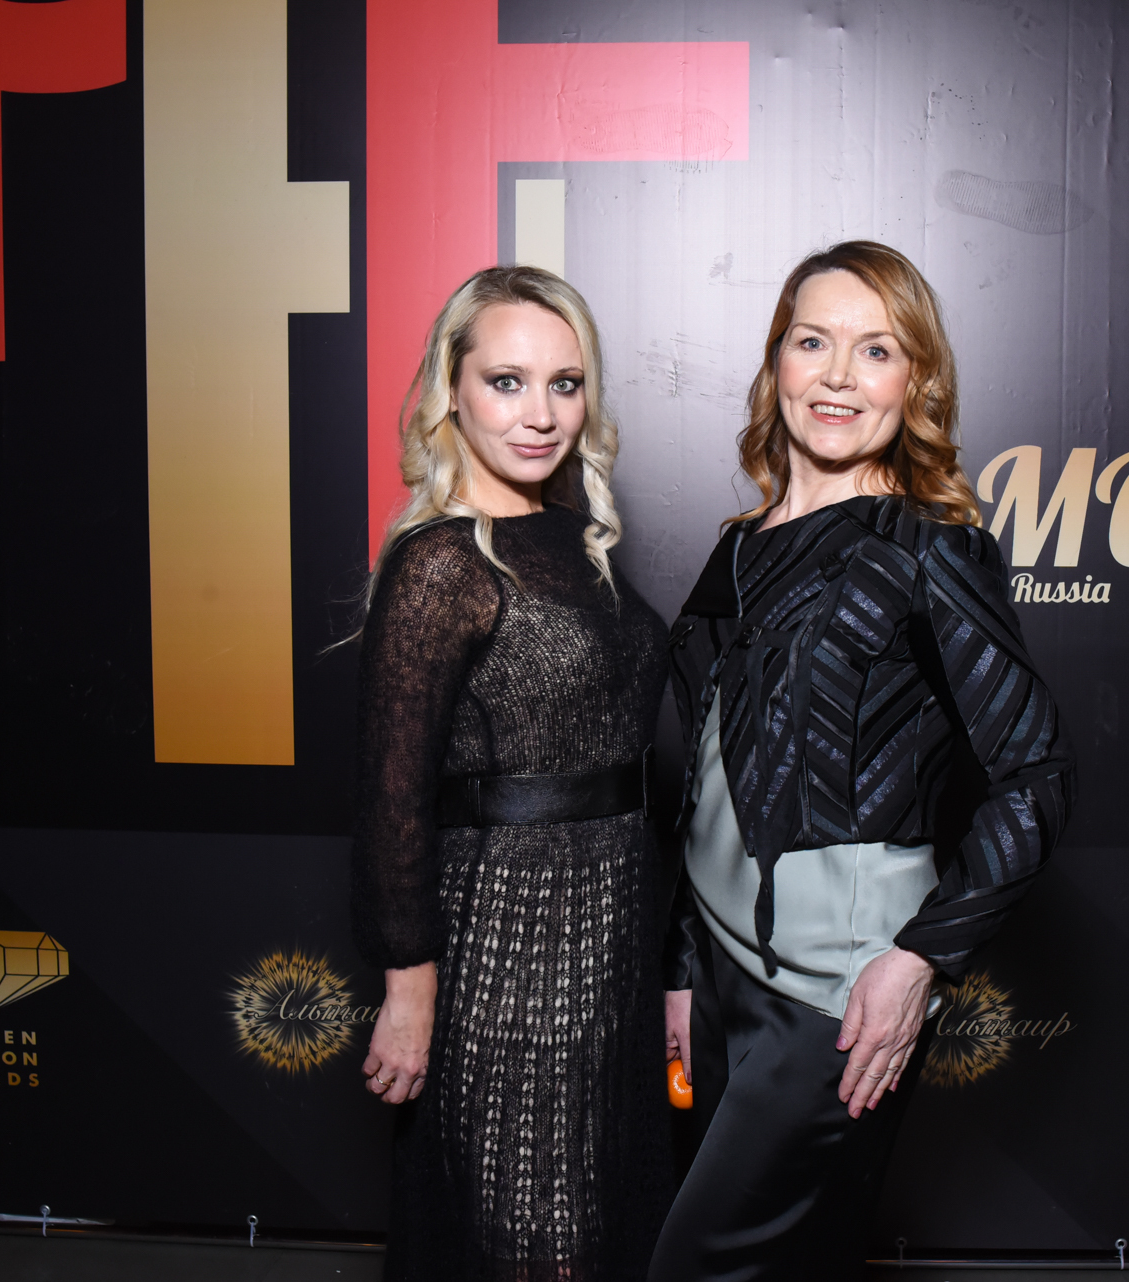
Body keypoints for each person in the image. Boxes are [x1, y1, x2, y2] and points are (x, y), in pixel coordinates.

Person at [649, 241, 1075, 1281]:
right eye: (814, 342)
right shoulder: (739, 546)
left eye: (876, 350)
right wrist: (682, 970)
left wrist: (920, 957)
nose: (838, 375)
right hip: (721, 975)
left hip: (837, 994)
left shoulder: (929, 549)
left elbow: (1037, 775)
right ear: (777, 362)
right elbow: (703, 774)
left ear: (916, 381)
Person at [353, 266, 671, 1281]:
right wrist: (410, 991)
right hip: (509, 940)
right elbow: (393, 797)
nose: (541, 415)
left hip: (614, 928)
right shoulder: (443, 564)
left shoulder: (577, 536)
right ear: (450, 390)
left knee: (604, 1219)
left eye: (565, 384)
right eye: (506, 382)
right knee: (532, 1235)